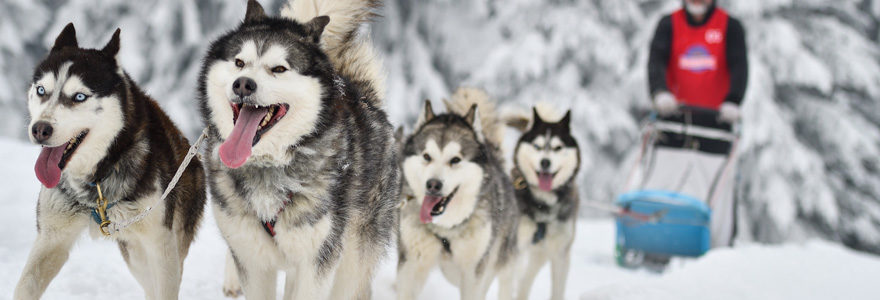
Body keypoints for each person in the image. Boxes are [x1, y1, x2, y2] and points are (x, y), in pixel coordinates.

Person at [643, 0, 748, 248]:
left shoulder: (729, 26)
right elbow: (656, 61)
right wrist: (659, 92)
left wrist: (734, 100)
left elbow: (739, 66)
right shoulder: (669, 24)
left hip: (716, 124)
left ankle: (717, 246)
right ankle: (656, 242)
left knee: (714, 189)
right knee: (665, 181)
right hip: (674, 120)